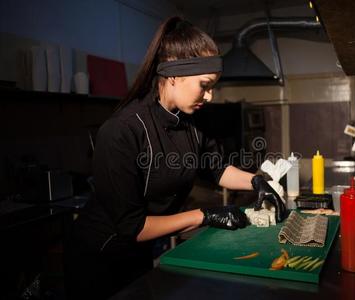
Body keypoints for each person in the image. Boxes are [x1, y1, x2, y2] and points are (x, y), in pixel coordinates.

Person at [64, 16, 286, 300]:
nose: (209, 96)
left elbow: (216, 169)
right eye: (204, 85)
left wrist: (257, 181)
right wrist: (205, 215)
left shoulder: (192, 123)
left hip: (138, 256)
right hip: (99, 257)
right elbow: (134, 227)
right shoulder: (122, 131)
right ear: (173, 75)